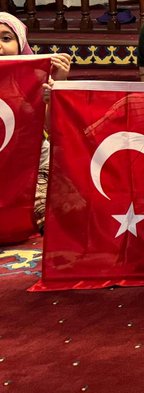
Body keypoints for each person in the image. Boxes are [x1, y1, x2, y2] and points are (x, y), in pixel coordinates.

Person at [1, 12, 70, 231]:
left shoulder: (36, 82)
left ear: (21, 45)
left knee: (54, 213)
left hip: (31, 164)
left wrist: (59, 85)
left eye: (6, 38)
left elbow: (54, 128)